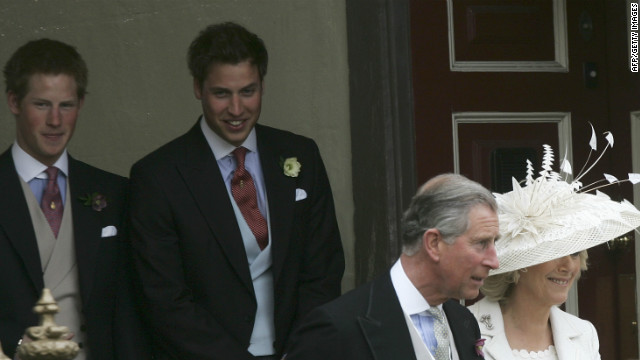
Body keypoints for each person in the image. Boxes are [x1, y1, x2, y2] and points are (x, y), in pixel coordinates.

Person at [128, 22, 344, 359]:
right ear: (198, 88)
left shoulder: (301, 155)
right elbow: (164, 299)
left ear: (262, 85)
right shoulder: (158, 176)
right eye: (221, 93)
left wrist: (303, 350)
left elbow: (323, 269)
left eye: (248, 91)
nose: (237, 109)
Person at [0, 39, 149, 359]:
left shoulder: (115, 192)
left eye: (66, 105)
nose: (55, 120)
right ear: (14, 101)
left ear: (80, 103)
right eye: (41, 105)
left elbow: (132, 307)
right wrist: (13, 344)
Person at [284, 173, 499, 360]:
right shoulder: (337, 328)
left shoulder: (463, 320)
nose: (494, 261)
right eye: (481, 243)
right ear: (434, 243)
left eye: (494, 243)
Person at [468, 138, 640, 359]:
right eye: (555, 253)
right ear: (521, 263)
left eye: (576, 253)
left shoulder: (583, 333)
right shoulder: (466, 328)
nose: (568, 265)